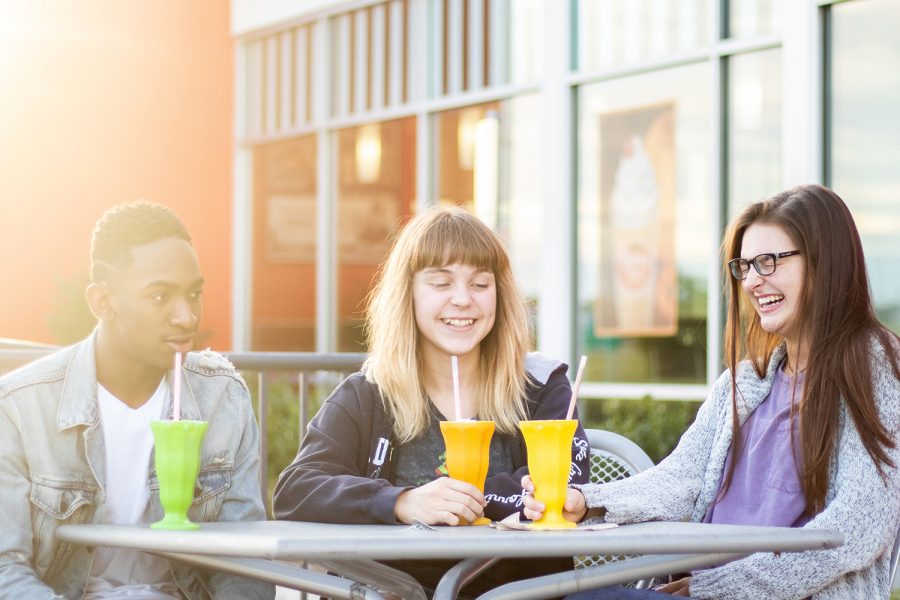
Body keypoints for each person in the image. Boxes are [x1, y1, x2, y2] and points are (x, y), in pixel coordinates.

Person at [524, 184, 900, 599]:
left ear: (826, 263)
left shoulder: (877, 368)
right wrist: (585, 500)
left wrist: (718, 588)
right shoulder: (743, 383)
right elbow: (681, 480)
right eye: (746, 266)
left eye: (770, 262)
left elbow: (858, 527)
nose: (753, 281)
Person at [273, 205, 591, 597]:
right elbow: (296, 490)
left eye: (480, 284)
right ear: (408, 293)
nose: (462, 300)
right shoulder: (369, 393)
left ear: (499, 293)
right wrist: (402, 502)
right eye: (440, 283)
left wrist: (460, 498)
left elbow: (562, 486)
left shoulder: (542, 386)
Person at [0, 202, 273, 599]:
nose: (187, 317)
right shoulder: (20, 406)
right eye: (160, 296)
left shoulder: (223, 398)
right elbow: (5, 567)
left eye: (194, 294)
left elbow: (247, 564)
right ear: (102, 303)